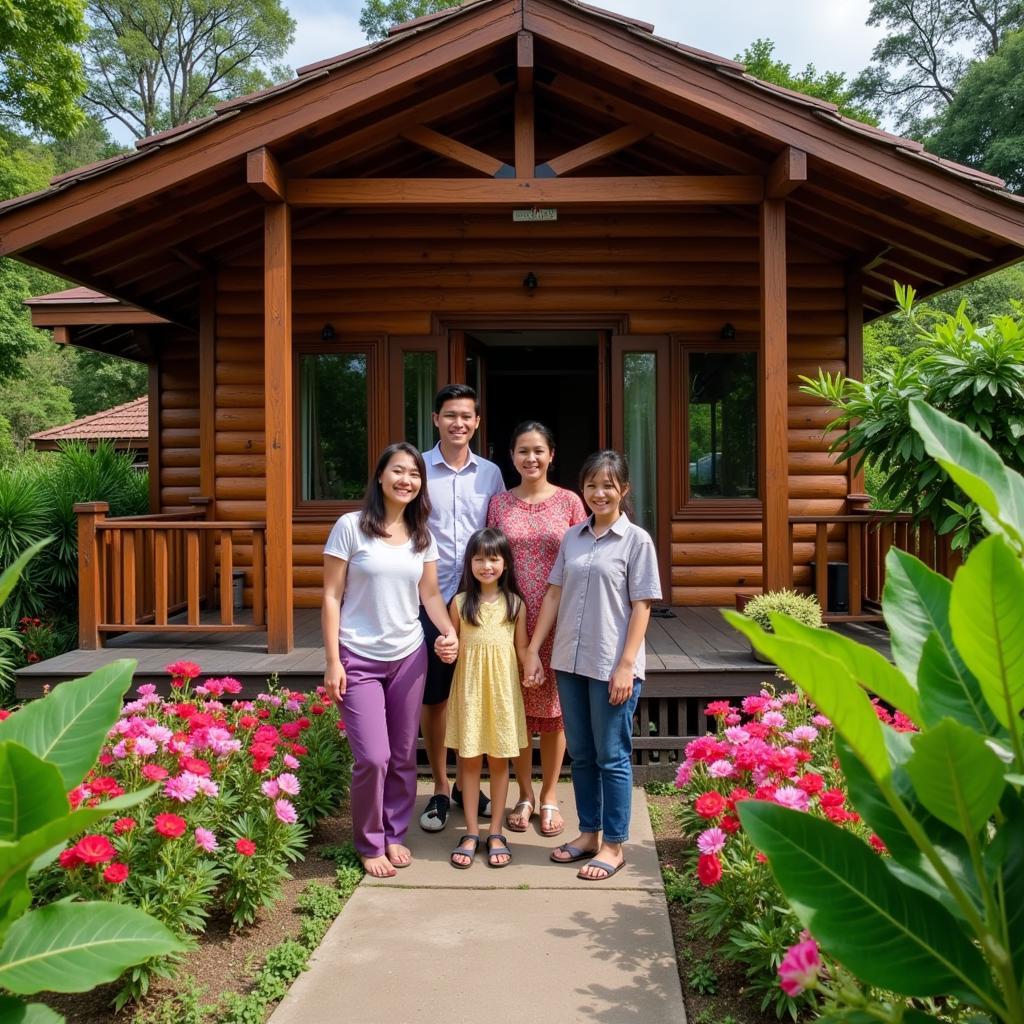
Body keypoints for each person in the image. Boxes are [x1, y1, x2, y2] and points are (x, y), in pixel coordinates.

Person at [322, 442, 458, 879]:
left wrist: (449, 632)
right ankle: (368, 841)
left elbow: (431, 595)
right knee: (374, 757)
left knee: (402, 754)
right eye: (398, 471)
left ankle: (393, 832)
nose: (407, 480)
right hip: (357, 655)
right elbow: (330, 596)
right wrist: (332, 660)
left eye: (415, 474)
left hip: (409, 655)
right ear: (380, 477)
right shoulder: (350, 527)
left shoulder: (422, 535)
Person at [524, 450, 661, 881]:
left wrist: (625, 665)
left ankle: (614, 845)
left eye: (607, 485)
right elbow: (552, 595)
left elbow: (642, 607)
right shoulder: (573, 537)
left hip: (611, 666)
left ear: (624, 489)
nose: (598, 493)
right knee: (581, 755)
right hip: (570, 661)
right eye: (590, 485)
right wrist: (533, 649)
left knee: (612, 756)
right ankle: (588, 834)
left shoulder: (636, 541)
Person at [487, 421, 586, 838]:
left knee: (554, 712)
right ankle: (523, 793)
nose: (531, 458)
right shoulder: (498, 504)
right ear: (512, 457)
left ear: (551, 455)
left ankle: (548, 794)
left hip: (560, 616)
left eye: (538, 450)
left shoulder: (570, 503)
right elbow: (489, 557)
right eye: (523, 451)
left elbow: (584, 558)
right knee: (516, 708)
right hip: (510, 619)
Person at [419, 384, 505, 833]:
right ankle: (439, 785)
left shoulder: (490, 474)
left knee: (473, 693)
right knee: (436, 696)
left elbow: (496, 538)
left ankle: (471, 784)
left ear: (476, 422)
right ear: (436, 420)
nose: (458, 423)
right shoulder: (417, 469)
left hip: (476, 604)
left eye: (466, 416)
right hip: (428, 600)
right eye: (449, 415)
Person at [445, 528, 530, 869]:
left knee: (498, 762)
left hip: (503, 694)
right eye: (479, 558)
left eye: (493, 558)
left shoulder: (515, 604)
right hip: (468, 694)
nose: (486, 565)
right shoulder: (461, 603)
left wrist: (533, 668)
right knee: (468, 762)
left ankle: (495, 831)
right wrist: (445, 651)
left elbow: (521, 649)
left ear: (505, 563)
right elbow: (452, 647)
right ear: (469, 563)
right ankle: (470, 831)